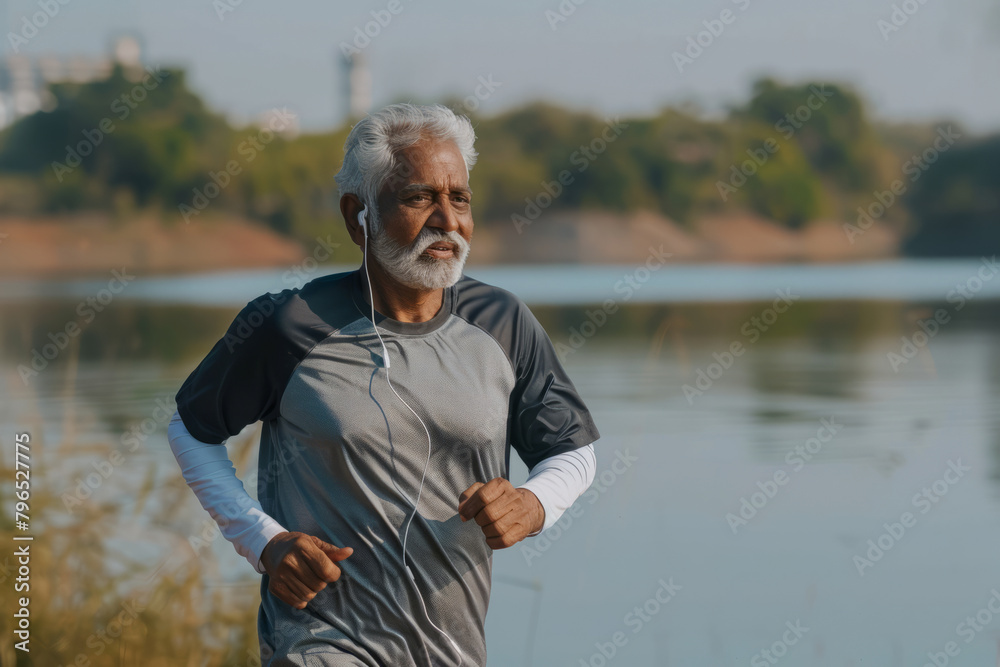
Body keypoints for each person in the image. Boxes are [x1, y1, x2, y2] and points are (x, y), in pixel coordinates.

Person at [167, 103, 600, 666]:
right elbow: (192, 428)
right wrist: (263, 541)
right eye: (419, 198)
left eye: (460, 198)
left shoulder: (502, 322)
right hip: (319, 645)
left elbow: (574, 450)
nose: (447, 220)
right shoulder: (290, 324)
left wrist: (535, 502)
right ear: (358, 215)